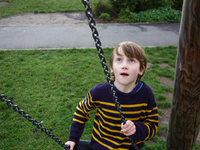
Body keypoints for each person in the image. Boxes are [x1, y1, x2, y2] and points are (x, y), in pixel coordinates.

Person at [65, 41, 158, 150]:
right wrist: (73, 138)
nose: (124, 66)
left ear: (141, 69)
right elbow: (81, 110)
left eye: (131, 60)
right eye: (119, 60)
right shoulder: (100, 91)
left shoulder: (146, 94)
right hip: (100, 147)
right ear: (112, 68)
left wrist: (136, 129)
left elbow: (153, 127)